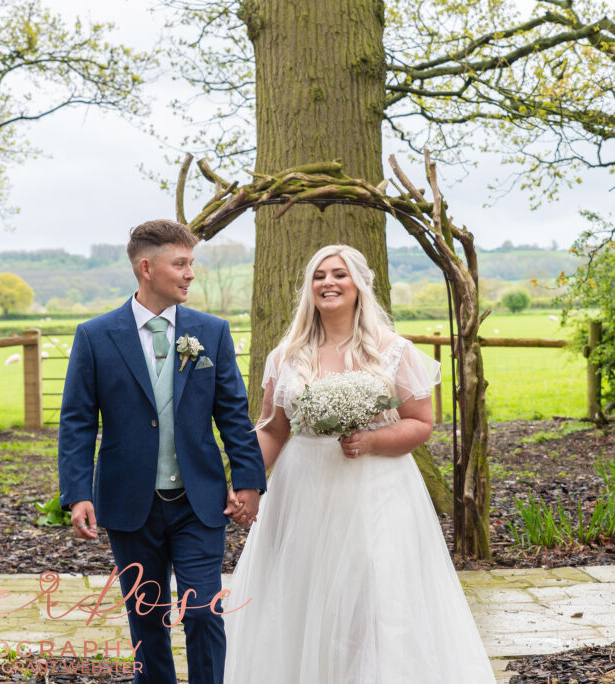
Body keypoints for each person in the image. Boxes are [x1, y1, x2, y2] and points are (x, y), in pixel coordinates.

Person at [222, 244, 495, 683]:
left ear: (359, 285)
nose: (328, 283)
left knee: (373, 592)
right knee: (301, 590)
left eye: (339, 274)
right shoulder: (286, 355)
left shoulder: (393, 351)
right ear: (309, 289)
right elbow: (273, 429)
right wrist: (246, 483)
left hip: (377, 489)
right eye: (319, 276)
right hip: (303, 489)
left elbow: (421, 423)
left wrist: (371, 440)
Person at [58, 219, 267, 684]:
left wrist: (249, 480)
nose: (191, 273)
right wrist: (77, 493)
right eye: (181, 264)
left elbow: (233, 412)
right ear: (147, 268)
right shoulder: (95, 336)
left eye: (192, 263)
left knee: (202, 613)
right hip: (130, 503)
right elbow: (76, 420)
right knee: (147, 621)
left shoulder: (210, 332)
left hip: (200, 501)